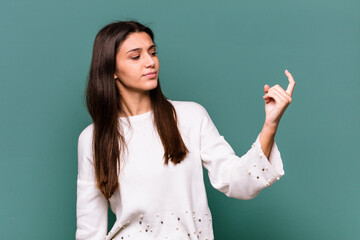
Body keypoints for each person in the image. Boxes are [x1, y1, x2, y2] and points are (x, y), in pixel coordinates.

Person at [76, 20, 295, 240]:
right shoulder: (92, 138)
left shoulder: (191, 116)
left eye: (152, 52)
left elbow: (238, 183)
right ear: (110, 69)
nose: (150, 62)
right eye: (136, 56)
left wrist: (270, 124)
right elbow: (89, 230)